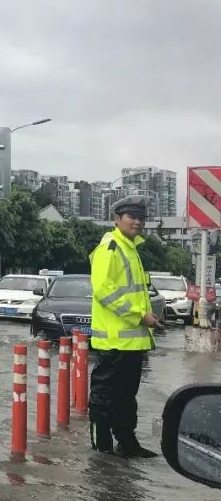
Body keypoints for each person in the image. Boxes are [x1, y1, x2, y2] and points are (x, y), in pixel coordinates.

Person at [89, 194, 164, 458]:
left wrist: (149, 317)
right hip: (114, 341)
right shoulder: (110, 247)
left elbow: (132, 293)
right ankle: (102, 448)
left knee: (125, 397)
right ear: (116, 219)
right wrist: (138, 316)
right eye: (132, 217)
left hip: (131, 341)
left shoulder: (130, 249)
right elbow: (103, 291)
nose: (138, 222)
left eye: (141, 218)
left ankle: (127, 443)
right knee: (105, 397)